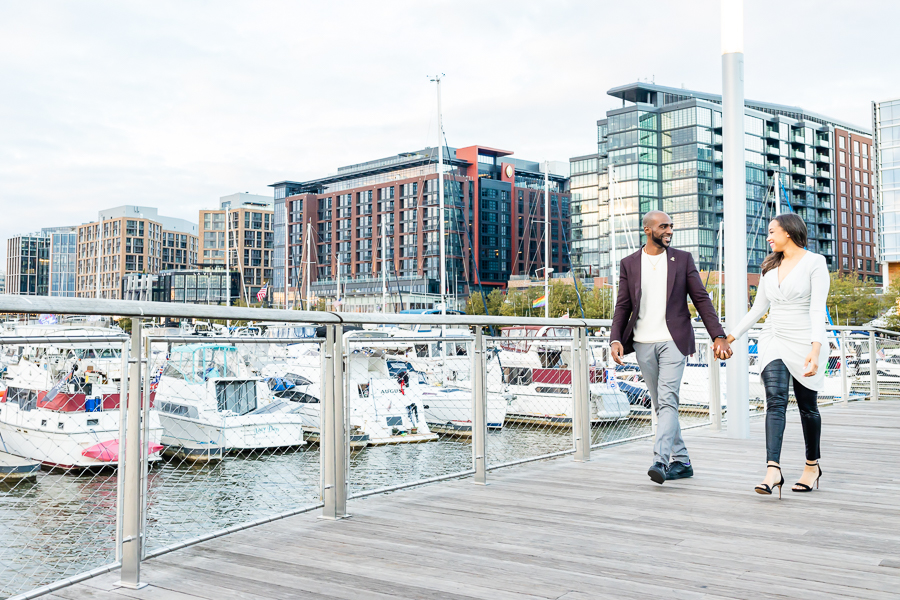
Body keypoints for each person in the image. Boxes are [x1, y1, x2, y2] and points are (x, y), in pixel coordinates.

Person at [610, 211, 733, 485]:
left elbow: (701, 299)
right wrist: (615, 339)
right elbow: (623, 305)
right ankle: (683, 461)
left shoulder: (682, 259)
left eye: (671, 227)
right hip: (642, 342)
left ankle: (660, 461)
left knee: (667, 401)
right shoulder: (629, 263)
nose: (669, 231)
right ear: (647, 229)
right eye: (663, 226)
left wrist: (718, 335)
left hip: (674, 341)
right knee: (661, 405)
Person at [726, 213, 829, 498]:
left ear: (789, 231)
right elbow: (758, 309)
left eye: (772, 232)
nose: (768, 237)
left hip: (805, 340)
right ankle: (773, 469)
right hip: (773, 338)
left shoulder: (815, 263)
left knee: (808, 407)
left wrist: (815, 349)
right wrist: (729, 337)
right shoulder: (770, 267)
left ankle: (812, 465)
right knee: (775, 401)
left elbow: (817, 309)